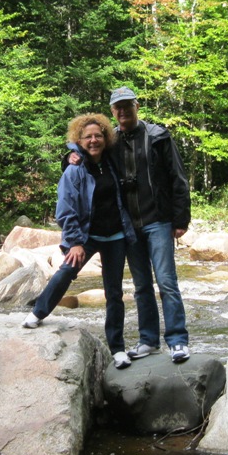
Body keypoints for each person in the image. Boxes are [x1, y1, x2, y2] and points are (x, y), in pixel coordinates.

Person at [71, 87, 192, 362]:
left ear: (137, 106)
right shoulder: (110, 141)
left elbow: (178, 178)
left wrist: (181, 218)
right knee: (141, 286)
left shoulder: (158, 136)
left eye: (128, 105)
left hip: (158, 220)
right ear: (113, 111)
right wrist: (69, 157)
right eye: (118, 107)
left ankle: (177, 341)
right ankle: (149, 340)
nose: (123, 111)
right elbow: (86, 151)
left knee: (166, 282)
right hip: (129, 226)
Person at [22, 113, 137, 370]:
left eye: (98, 135)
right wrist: (74, 242)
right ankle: (37, 313)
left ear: (105, 138)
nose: (94, 140)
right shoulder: (74, 170)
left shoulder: (112, 162)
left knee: (114, 293)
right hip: (86, 237)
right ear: (79, 140)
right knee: (67, 271)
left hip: (116, 237)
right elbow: (65, 209)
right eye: (88, 137)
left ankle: (118, 349)